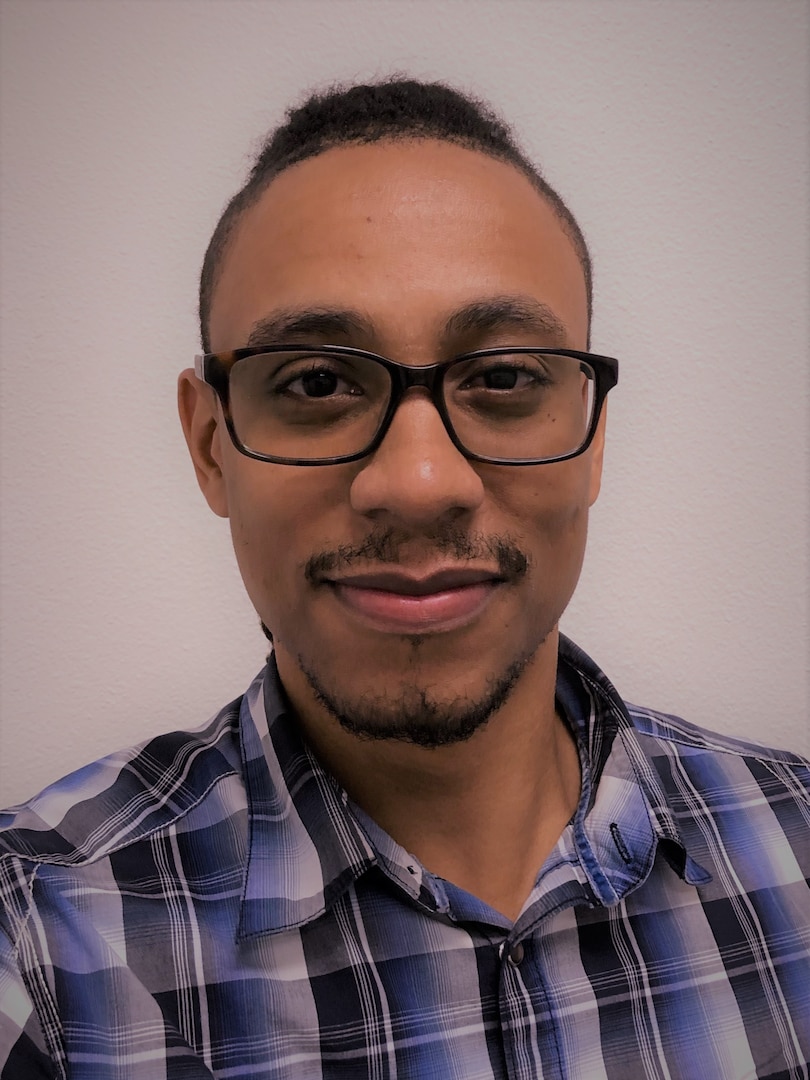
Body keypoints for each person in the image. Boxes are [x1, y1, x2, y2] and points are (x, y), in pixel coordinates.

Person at [0, 78, 807, 1080]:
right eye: (318, 384)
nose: (420, 481)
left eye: (505, 378)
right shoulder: (39, 939)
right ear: (211, 446)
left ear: (594, 442)